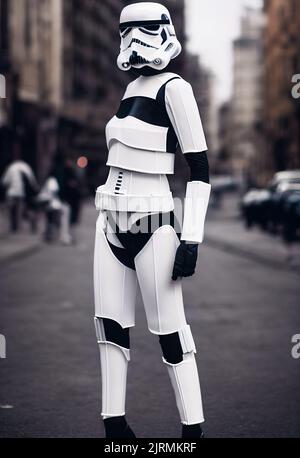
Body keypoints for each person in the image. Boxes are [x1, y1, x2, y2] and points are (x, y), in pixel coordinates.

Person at [93, 2, 211, 439]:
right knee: (109, 326)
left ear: (164, 30)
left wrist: (192, 237)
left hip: (153, 221)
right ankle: (114, 423)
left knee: (169, 330)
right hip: (109, 221)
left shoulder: (175, 88)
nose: (134, 38)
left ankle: (191, 430)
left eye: (144, 29)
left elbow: (199, 170)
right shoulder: (129, 90)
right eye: (126, 30)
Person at [1, 146, 38, 233]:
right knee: (20, 210)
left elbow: (4, 181)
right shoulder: (26, 167)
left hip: (12, 192)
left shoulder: (11, 167)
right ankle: (21, 226)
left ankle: (13, 228)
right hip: (22, 193)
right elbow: (32, 181)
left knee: (11, 210)